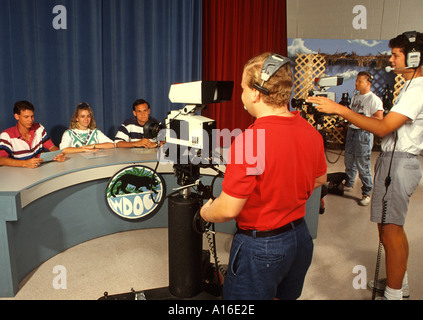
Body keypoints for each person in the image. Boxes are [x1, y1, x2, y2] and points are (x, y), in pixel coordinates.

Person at [200, 52, 327, 300]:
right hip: (300, 239)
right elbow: (320, 179)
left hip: (262, 249)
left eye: (243, 88)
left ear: (256, 93)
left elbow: (228, 210)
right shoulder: (309, 131)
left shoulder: (250, 141)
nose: (242, 95)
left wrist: (206, 212)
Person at [308, 31, 423, 300]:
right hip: (396, 161)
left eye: (396, 55)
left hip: (400, 163)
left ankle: (394, 294)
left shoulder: (418, 89)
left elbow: (383, 127)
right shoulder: (410, 87)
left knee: (390, 230)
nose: (391, 60)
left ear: (414, 57)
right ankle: (399, 282)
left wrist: (340, 110)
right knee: (392, 227)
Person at [343, 71, 383, 206]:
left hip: (364, 134)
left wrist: (362, 118)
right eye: (356, 81)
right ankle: (348, 183)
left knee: (362, 164)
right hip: (352, 132)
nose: (356, 83)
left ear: (368, 83)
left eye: (359, 81)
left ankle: (366, 192)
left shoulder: (374, 100)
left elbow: (379, 119)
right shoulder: (355, 97)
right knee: (349, 160)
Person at [0, 100, 65, 168]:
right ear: (17, 116)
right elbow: (1, 159)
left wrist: (58, 154)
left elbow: (52, 147)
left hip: (39, 171)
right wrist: (25, 163)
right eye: (26, 117)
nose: (30, 120)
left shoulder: (39, 128)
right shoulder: (6, 136)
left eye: (32, 116)